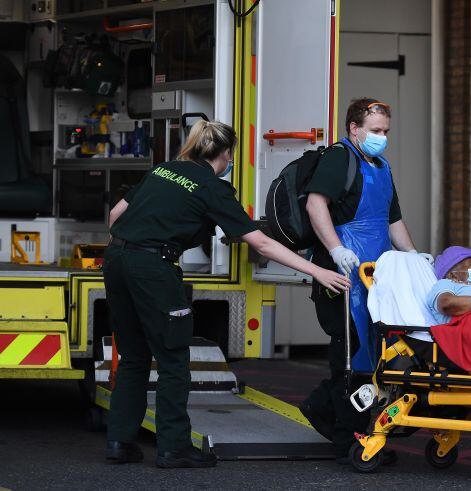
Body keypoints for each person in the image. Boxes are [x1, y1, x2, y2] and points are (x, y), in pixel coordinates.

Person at [102, 120, 349, 468]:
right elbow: (260, 241)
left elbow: (115, 215)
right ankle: (174, 446)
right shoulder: (212, 187)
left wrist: (133, 248)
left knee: (132, 356)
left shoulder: (164, 169)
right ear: (227, 154)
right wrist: (317, 271)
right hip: (153, 267)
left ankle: (119, 442)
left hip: (118, 259)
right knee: (173, 360)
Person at [300, 98, 431, 464]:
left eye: (386, 131)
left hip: (375, 275)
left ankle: (334, 417)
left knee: (371, 356)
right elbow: (315, 204)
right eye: (375, 131)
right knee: (348, 354)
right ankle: (348, 436)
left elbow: (392, 220)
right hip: (341, 274)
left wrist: (412, 256)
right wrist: (336, 249)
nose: (382, 137)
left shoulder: (382, 166)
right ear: (354, 129)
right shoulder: (339, 159)